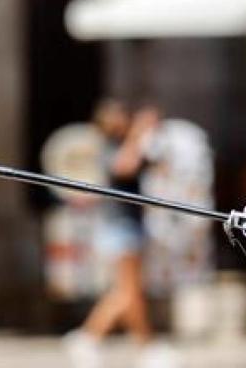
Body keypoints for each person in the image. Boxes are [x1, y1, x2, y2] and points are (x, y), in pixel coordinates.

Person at [64, 99, 179, 368]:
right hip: (118, 227)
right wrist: (139, 133)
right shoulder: (107, 148)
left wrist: (151, 135)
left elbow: (160, 166)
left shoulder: (129, 145)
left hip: (130, 226)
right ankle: (136, 345)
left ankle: (92, 338)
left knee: (127, 291)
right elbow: (122, 166)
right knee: (129, 291)